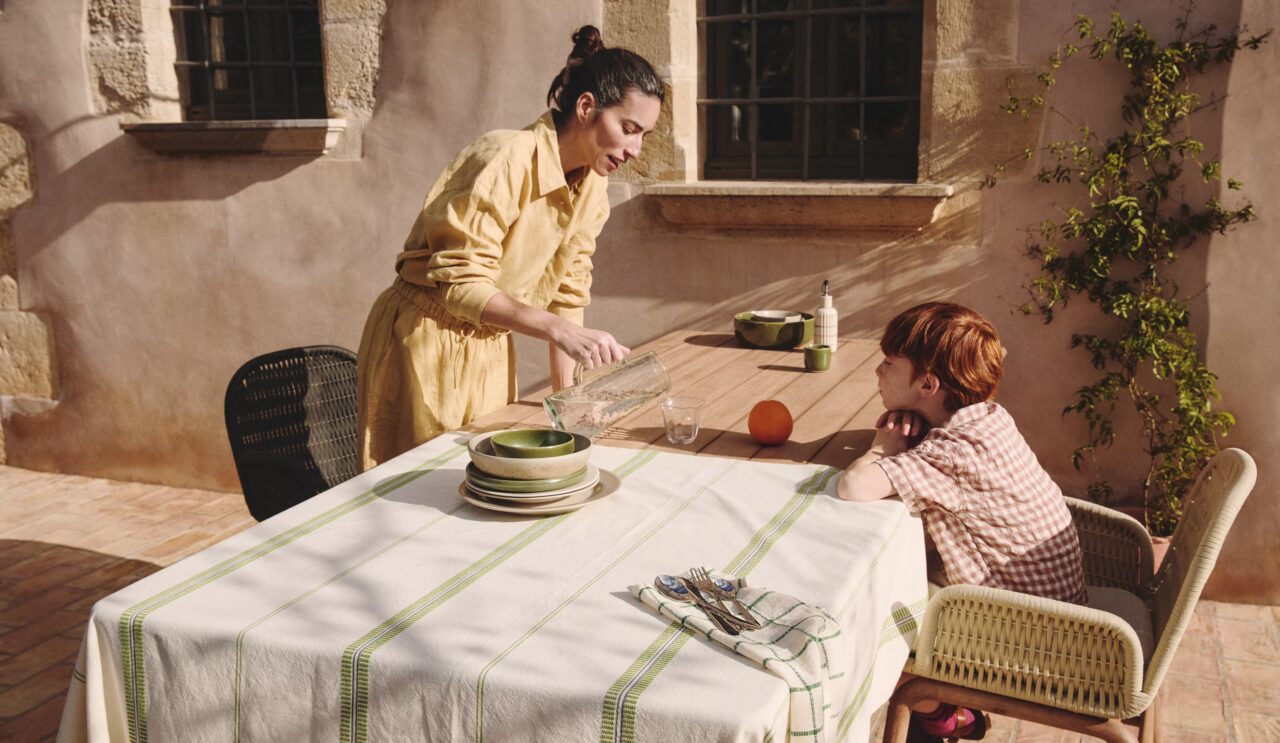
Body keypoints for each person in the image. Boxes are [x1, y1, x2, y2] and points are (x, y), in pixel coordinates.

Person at [357, 26, 663, 470]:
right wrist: (554, 329)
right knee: (420, 493)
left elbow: (567, 297)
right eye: (629, 128)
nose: (635, 149)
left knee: (493, 480)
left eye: (645, 135)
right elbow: (460, 284)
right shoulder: (504, 158)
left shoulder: (594, 187)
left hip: (492, 349)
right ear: (586, 107)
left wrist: (569, 407)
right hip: (425, 341)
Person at [836, 302, 1088, 742]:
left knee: (867, 620)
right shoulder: (988, 419)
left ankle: (944, 717)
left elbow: (853, 488)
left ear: (928, 384)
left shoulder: (950, 454)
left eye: (889, 363)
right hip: (1061, 610)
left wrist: (882, 446)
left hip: (1027, 636)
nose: (878, 371)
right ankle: (944, 710)